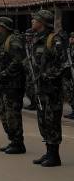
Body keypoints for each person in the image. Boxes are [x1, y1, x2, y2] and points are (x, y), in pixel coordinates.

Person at [28, 10, 65, 167]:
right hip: (40, 89)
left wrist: (46, 76)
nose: (32, 22)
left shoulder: (54, 39)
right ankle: (48, 151)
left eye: (35, 19)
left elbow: (62, 64)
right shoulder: (37, 39)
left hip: (52, 89)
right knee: (43, 121)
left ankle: (54, 155)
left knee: (52, 121)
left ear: (42, 22)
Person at [0, 17, 26, 155]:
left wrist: (5, 73)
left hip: (13, 84)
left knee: (12, 114)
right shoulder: (0, 42)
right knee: (4, 114)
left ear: (4, 27)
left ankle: (18, 143)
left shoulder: (13, 40)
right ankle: (12, 140)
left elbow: (18, 60)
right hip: (3, 84)